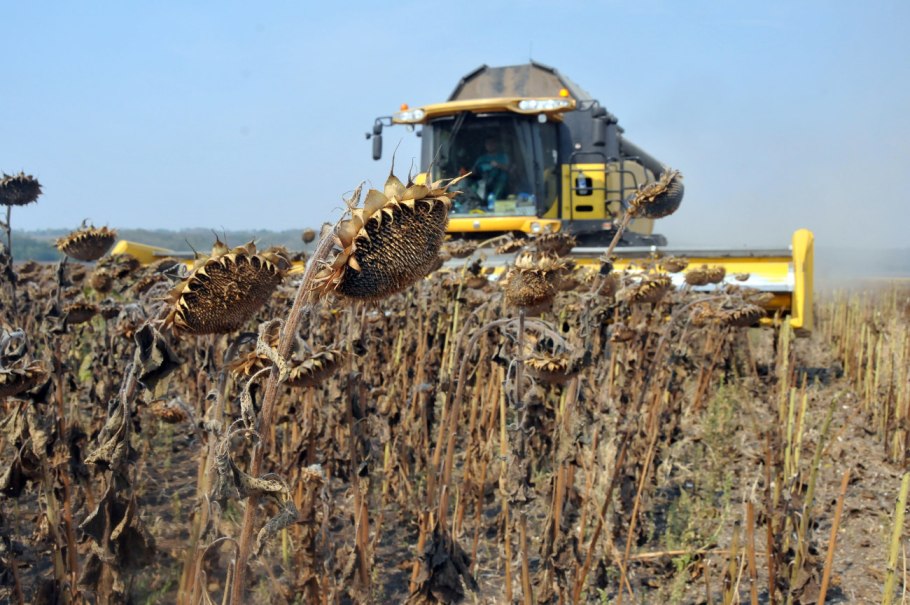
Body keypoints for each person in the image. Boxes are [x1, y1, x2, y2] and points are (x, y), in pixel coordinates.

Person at [471, 136, 509, 207]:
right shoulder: (482, 158)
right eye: (487, 143)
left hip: (500, 183)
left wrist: (497, 165)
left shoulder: (502, 156)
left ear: (496, 144)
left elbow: (509, 169)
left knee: (495, 196)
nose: (490, 145)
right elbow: (473, 171)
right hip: (484, 183)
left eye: (492, 143)